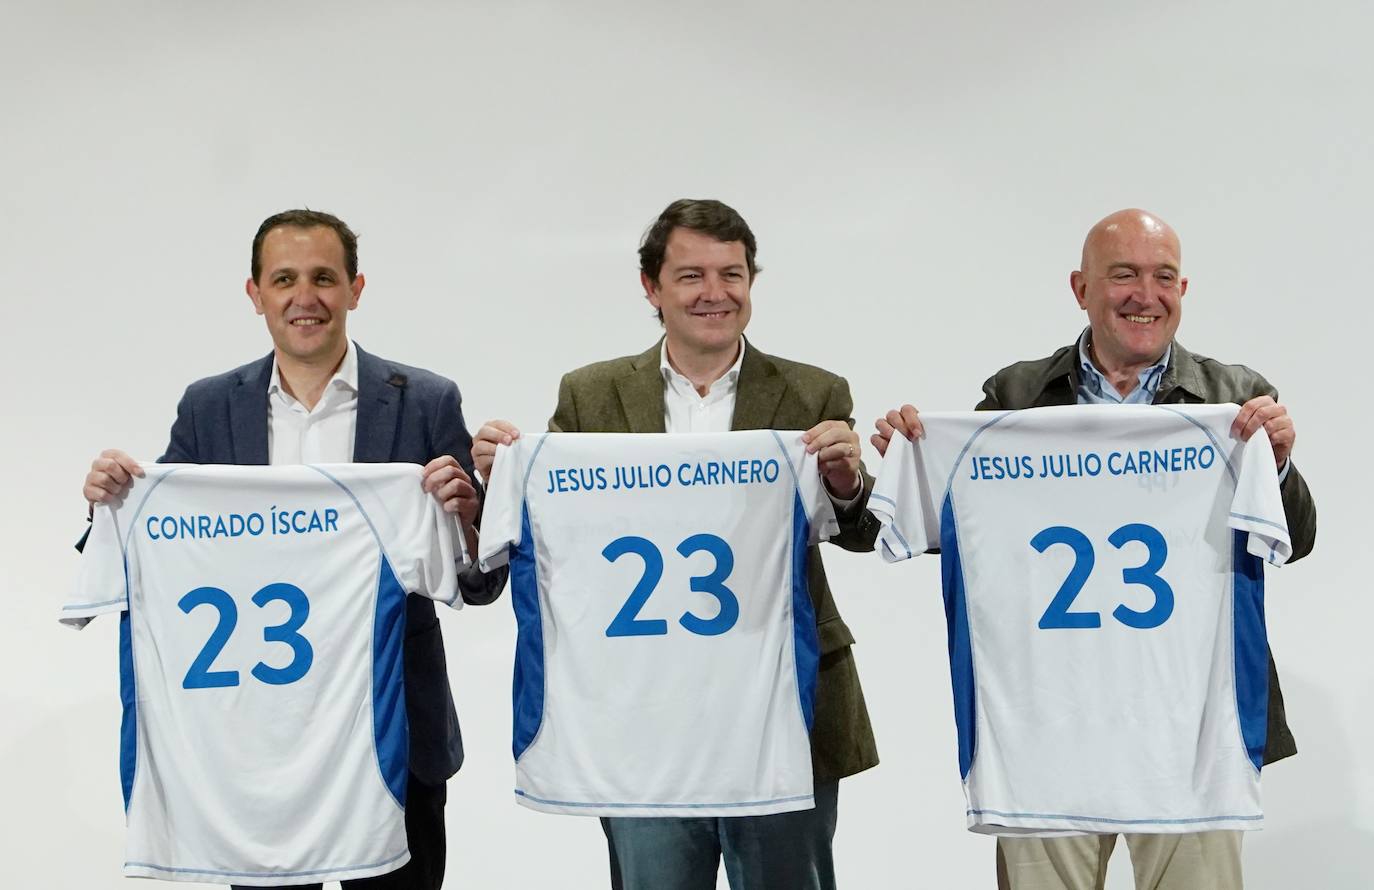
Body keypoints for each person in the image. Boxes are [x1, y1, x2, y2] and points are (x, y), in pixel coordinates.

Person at [873, 208, 1317, 890]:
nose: (1146, 294)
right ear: (1081, 289)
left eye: (1163, 276)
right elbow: (970, 538)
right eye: (1124, 275)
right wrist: (918, 462)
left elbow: (1298, 539)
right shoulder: (1015, 396)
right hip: (1047, 720)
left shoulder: (1236, 399)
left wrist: (1278, 464)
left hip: (1192, 726)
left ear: (1183, 289)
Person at [80, 208, 504, 890]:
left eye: (323, 278)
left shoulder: (425, 401)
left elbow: (478, 582)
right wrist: (110, 504)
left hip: (396, 734)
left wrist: (466, 517)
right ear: (255, 294)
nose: (305, 298)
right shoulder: (209, 409)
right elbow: (155, 545)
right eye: (284, 279)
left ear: (356, 289)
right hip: (258, 747)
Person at [471, 198, 880, 890]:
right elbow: (557, 538)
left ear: (752, 283)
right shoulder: (590, 395)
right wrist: (501, 478)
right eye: (691, 276)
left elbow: (862, 533)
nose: (715, 293)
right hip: (643, 710)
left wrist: (847, 482)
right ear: (651, 287)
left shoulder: (813, 391)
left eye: (733, 274)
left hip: (780, 702)